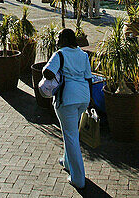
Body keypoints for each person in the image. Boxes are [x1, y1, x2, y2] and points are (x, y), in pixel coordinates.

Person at [43, 28, 93, 190]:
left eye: (58, 37)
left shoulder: (60, 54)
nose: (57, 40)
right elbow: (88, 78)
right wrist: (90, 101)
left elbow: (48, 72)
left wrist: (51, 71)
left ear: (64, 39)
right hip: (83, 97)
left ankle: (78, 178)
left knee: (71, 136)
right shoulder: (83, 54)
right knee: (70, 131)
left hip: (68, 98)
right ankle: (66, 161)